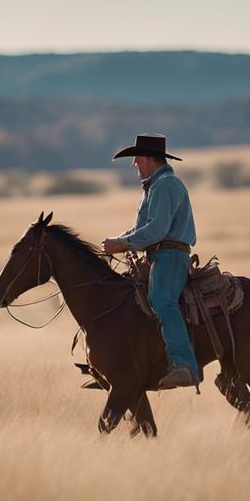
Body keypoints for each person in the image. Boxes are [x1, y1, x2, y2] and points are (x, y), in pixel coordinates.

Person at [102, 133, 199, 389]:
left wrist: (121, 244)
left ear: (150, 159)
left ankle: (185, 365)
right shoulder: (155, 187)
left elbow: (156, 230)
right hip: (157, 255)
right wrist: (117, 241)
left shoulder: (165, 185)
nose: (134, 164)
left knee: (161, 301)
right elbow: (140, 229)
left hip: (170, 256)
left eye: (136, 158)